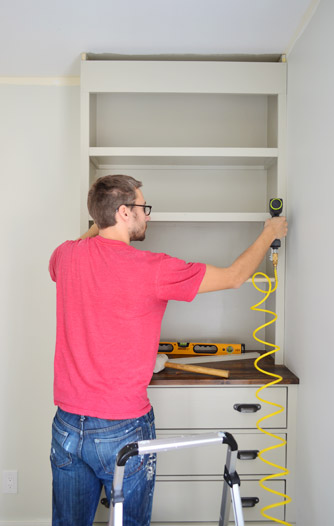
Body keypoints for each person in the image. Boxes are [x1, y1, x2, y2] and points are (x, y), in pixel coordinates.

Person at [49, 174, 288, 526]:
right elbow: (235, 277)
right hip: (122, 429)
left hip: (67, 426)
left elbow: (75, 246)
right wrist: (271, 233)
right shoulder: (154, 269)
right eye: (143, 208)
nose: (148, 216)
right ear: (124, 212)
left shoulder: (65, 256)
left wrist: (98, 226)